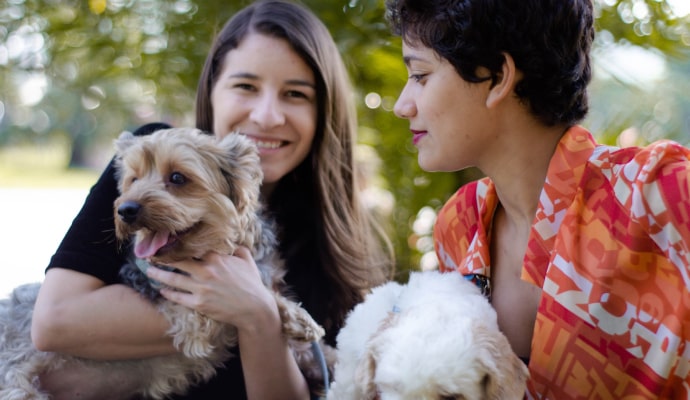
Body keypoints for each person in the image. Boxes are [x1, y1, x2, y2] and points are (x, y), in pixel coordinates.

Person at [31, 1, 392, 399]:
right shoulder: (149, 154)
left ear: (324, 111)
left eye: (295, 94)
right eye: (245, 87)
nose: (267, 116)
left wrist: (258, 315)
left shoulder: (329, 246)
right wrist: (240, 311)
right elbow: (53, 323)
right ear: (212, 91)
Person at [385, 0, 690, 398]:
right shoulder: (458, 224)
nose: (402, 105)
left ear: (497, 76)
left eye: (420, 76)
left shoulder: (659, 193)